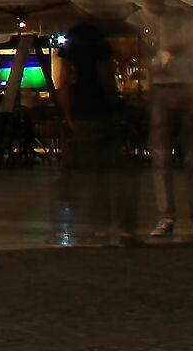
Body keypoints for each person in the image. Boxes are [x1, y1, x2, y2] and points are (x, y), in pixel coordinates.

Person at [133, 0, 193, 239]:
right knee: (162, 155)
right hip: (160, 90)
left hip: (185, 86)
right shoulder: (136, 21)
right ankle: (166, 216)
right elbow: (141, 58)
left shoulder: (180, 15)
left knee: (192, 155)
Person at [59, 17, 139, 245]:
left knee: (92, 174)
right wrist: (115, 107)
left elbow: (64, 82)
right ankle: (124, 229)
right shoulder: (100, 42)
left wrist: (68, 116)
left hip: (82, 113)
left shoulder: (69, 45)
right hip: (102, 111)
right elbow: (106, 78)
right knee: (115, 171)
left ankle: (99, 227)